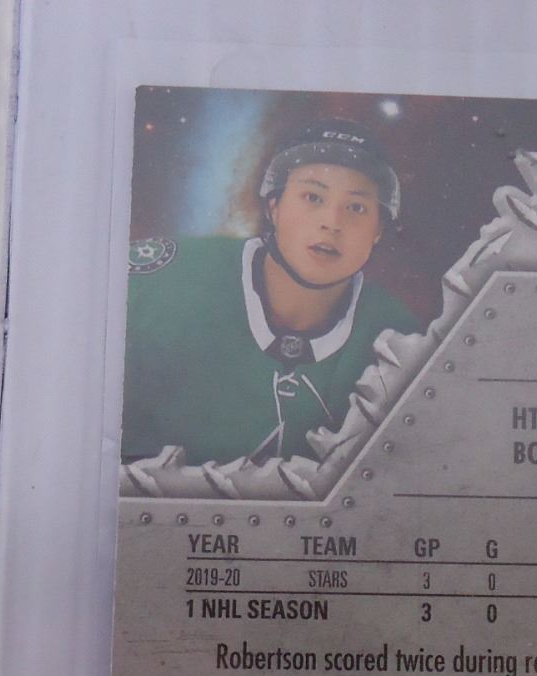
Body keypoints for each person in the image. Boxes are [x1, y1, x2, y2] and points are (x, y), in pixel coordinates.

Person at [120, 117, 419, 465]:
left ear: (378, 229)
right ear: (274, 206)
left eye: (356, 207)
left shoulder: (401, 341)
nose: (332, 222)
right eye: (313, 197)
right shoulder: (162, 283)